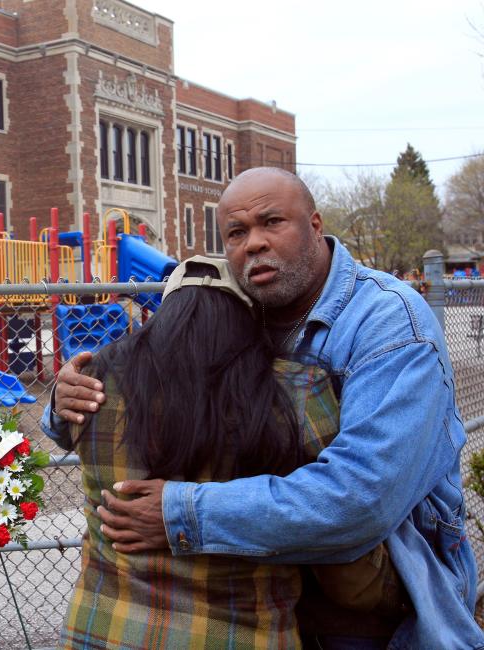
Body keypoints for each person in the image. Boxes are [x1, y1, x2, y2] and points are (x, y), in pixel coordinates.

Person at [43, 168, 484, 648]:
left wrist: (180, 512)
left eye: (272, 222)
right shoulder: (242, 314)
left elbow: (362, 497)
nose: (253, 243)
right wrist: (66, 401)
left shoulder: (388, 323)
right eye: (236, 232)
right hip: (278, 600)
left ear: (315, 226)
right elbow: (160, 390)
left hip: (376, 608)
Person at [56, 256, 404, 649]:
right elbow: (337, 530)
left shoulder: (91, 384)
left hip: (102, 629)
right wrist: (397, 595)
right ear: (250, 318)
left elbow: (63, 428)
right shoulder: (297, 394)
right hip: (238, 634)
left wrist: (56, 398)